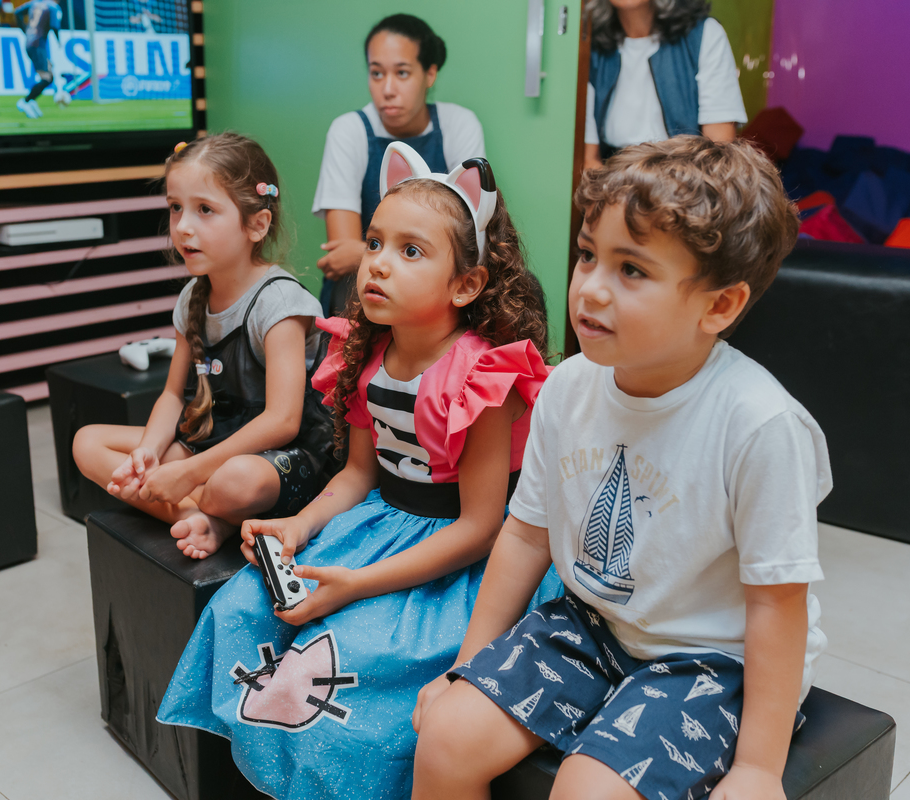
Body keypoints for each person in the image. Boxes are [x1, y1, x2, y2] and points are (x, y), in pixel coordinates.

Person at [412, 137, 828, 800]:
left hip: (710, 660)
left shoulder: (760, 425)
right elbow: (524, 534)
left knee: (586, 792)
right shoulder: (568, 386)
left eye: (631, 270)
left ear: (718, 306)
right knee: (446, 736)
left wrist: (757, 769)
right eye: (587, 255)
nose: (590, 289)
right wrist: (469, 667)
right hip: (592, 623)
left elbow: (778, 601)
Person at [157, 142, 563, 799]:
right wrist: (297, 523)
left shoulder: (484, 377)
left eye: (411, 252)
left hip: (454, 565)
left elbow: (485, 527)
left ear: (466, 284)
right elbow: (354, 478)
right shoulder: (364, 356)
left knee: (352, 661)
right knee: (240, 607)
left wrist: (358, 584)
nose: (376, 264)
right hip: (377, 526)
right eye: (374, 242)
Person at [73, 133, 331, 560]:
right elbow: (174, 394)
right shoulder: (192, 296)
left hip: (280, 458)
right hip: (210, 442)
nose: (183, 226)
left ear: (256, 224)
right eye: (176, 208)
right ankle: (214, 518)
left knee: (235, 481)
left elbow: (283, 421)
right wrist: (149, 453)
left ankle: (211, 510)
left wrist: (187, 472)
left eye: (205, 210)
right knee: (88, 442)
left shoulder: (280, 302)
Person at [312, 13, 485, 316]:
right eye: (377, 74)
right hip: (367, 288)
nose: (388, 89)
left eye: (402, 73)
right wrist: (413, 255)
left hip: (434, 290)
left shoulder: (459, 124)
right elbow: (343, 253)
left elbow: (471, 241)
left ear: (430, 74)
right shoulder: (349, 130)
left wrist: (362, 250)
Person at [584, 0, 746, 169]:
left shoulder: (705, 34)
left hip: (687, 180)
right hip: (612, 180)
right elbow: (588, 161)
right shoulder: (587, 45)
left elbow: (718, 152)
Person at [12, 0, 61, 118]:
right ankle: (26, 101)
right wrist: (60, 41)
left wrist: (25, 30)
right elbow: (55, 26)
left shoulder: (34, 3)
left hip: (30, 42)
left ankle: (31, 100)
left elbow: (17, 12)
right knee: (47, 78)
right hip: (38, 45)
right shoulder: (53, 7)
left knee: (50, 75)